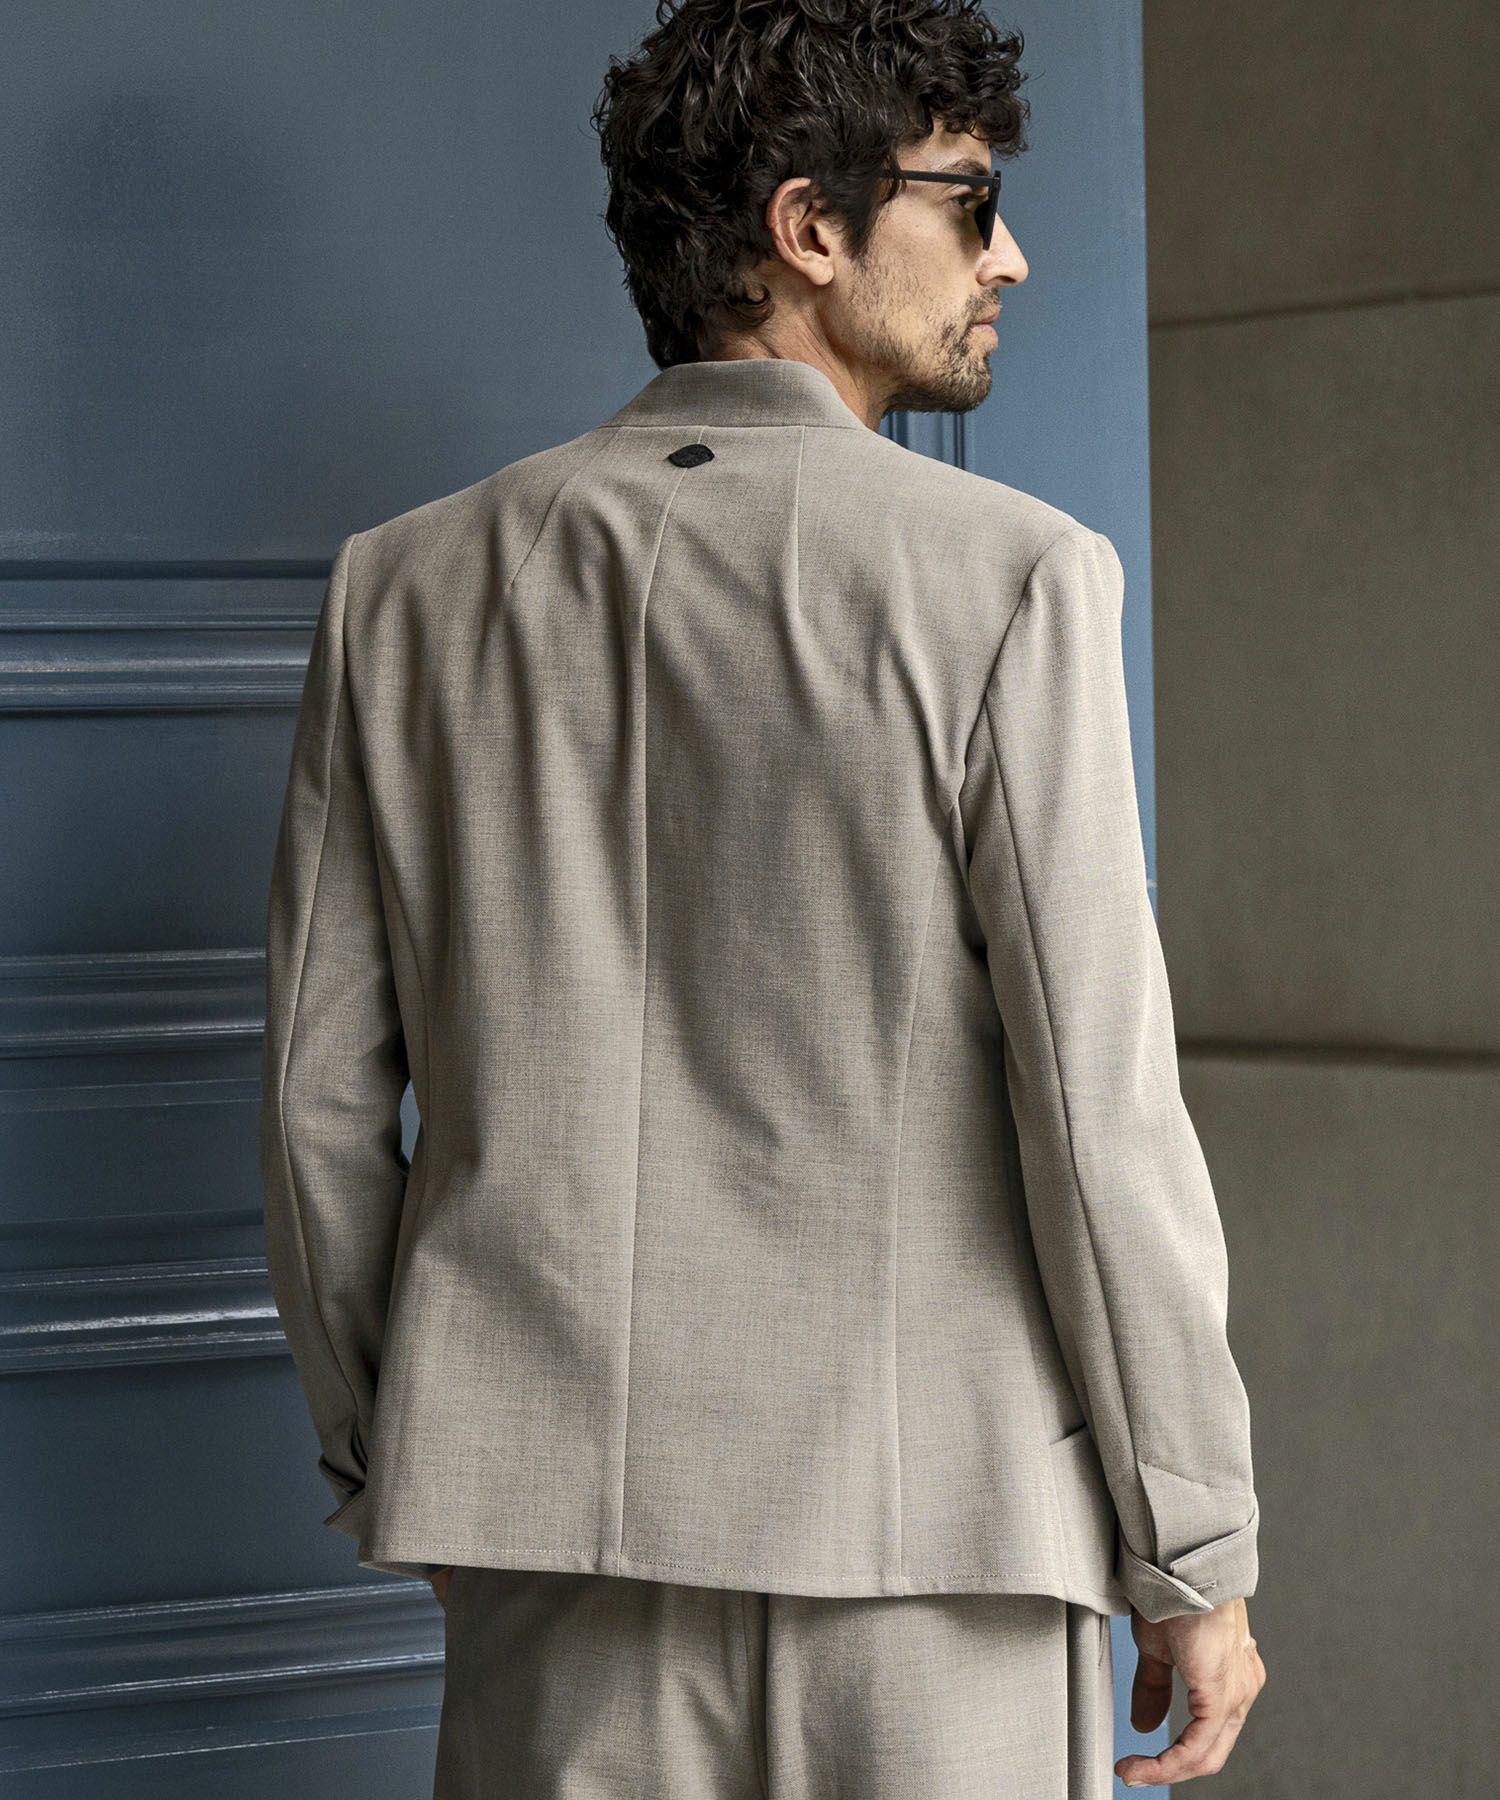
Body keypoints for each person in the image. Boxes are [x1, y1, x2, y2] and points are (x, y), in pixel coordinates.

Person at [259, 1, 1266, 1792]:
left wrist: (400, 1446)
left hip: (554, 1546)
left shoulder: (402, 590)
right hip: (938, 1545)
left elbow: (316, 1108)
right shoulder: (1011, 580)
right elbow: (1096, 1116)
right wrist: (1194, 1544)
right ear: (810, 228)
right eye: (970, 202)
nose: (1011, 257)